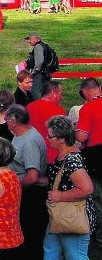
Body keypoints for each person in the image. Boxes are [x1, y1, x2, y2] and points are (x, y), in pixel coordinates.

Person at [44, 115, 95, 259]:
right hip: (60, 216)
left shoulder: (72, 160)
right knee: (50, 251)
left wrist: (59, 196)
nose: (47, 139)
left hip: (73, 218)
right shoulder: (64, 155)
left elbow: (87, 188)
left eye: (50, 136)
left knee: (75, 256)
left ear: (61, 139)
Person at [5, 104, 48, 260]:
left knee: (31, 232)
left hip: (31, 195)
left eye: (7, 119)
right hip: (24, 191)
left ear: (14, 121)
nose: (5, 121)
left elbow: (32, 176)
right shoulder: (19, 134)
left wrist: (13, 187)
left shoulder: (29, 142)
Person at [75, 77, 102, 247]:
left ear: (85, 92)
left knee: (98, 196)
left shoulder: (88, 108)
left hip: (97, 156)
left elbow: (82, 136)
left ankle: (100, 236)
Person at [27, 81, 66, 164]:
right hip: (53, 157)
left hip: (32, 157)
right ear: (53, 93)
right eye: (61, 94)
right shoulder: (58, 110)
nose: (62, 97)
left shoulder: (29, 107)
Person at [24, 33, 52, 100]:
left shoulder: (38, 47)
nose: (28, 41)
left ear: (35, 39)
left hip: (39, 74)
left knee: (36, 93)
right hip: (46, 73)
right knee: (45, 93)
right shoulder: (44, 46)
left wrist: (34, 72)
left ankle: (38, 108)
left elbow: (40, 61)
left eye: (30, 39)